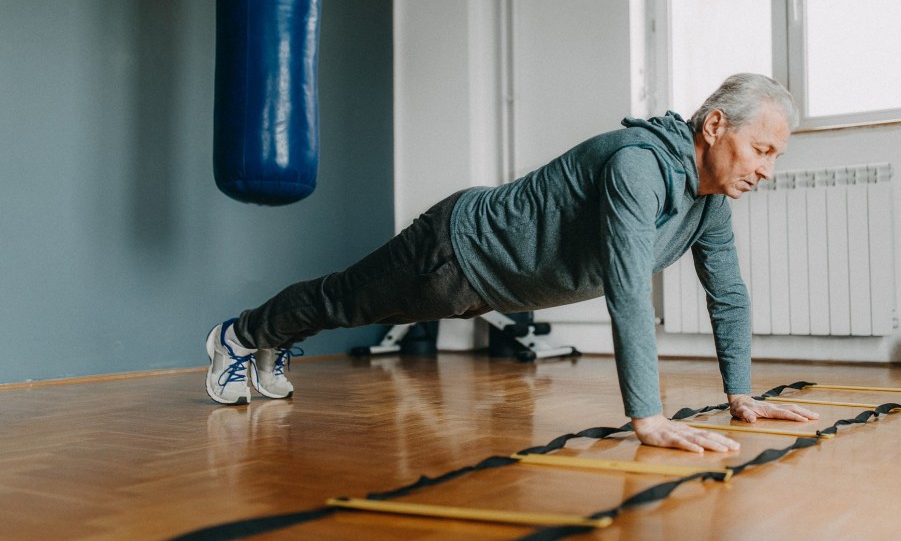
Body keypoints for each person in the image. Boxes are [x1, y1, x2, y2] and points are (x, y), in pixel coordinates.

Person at [205, 72, 819, 452]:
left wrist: (741, 393)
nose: (766, 169)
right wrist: (647, 418)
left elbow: (728, 294)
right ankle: (241, 335)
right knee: (339, 300)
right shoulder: (638, 165)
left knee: (340, 303)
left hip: (488, 286)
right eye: (761, 149)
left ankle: (268, 339)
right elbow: (629, 289)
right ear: (715, 126)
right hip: (452, 251)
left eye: (774, 157)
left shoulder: (706, 202)